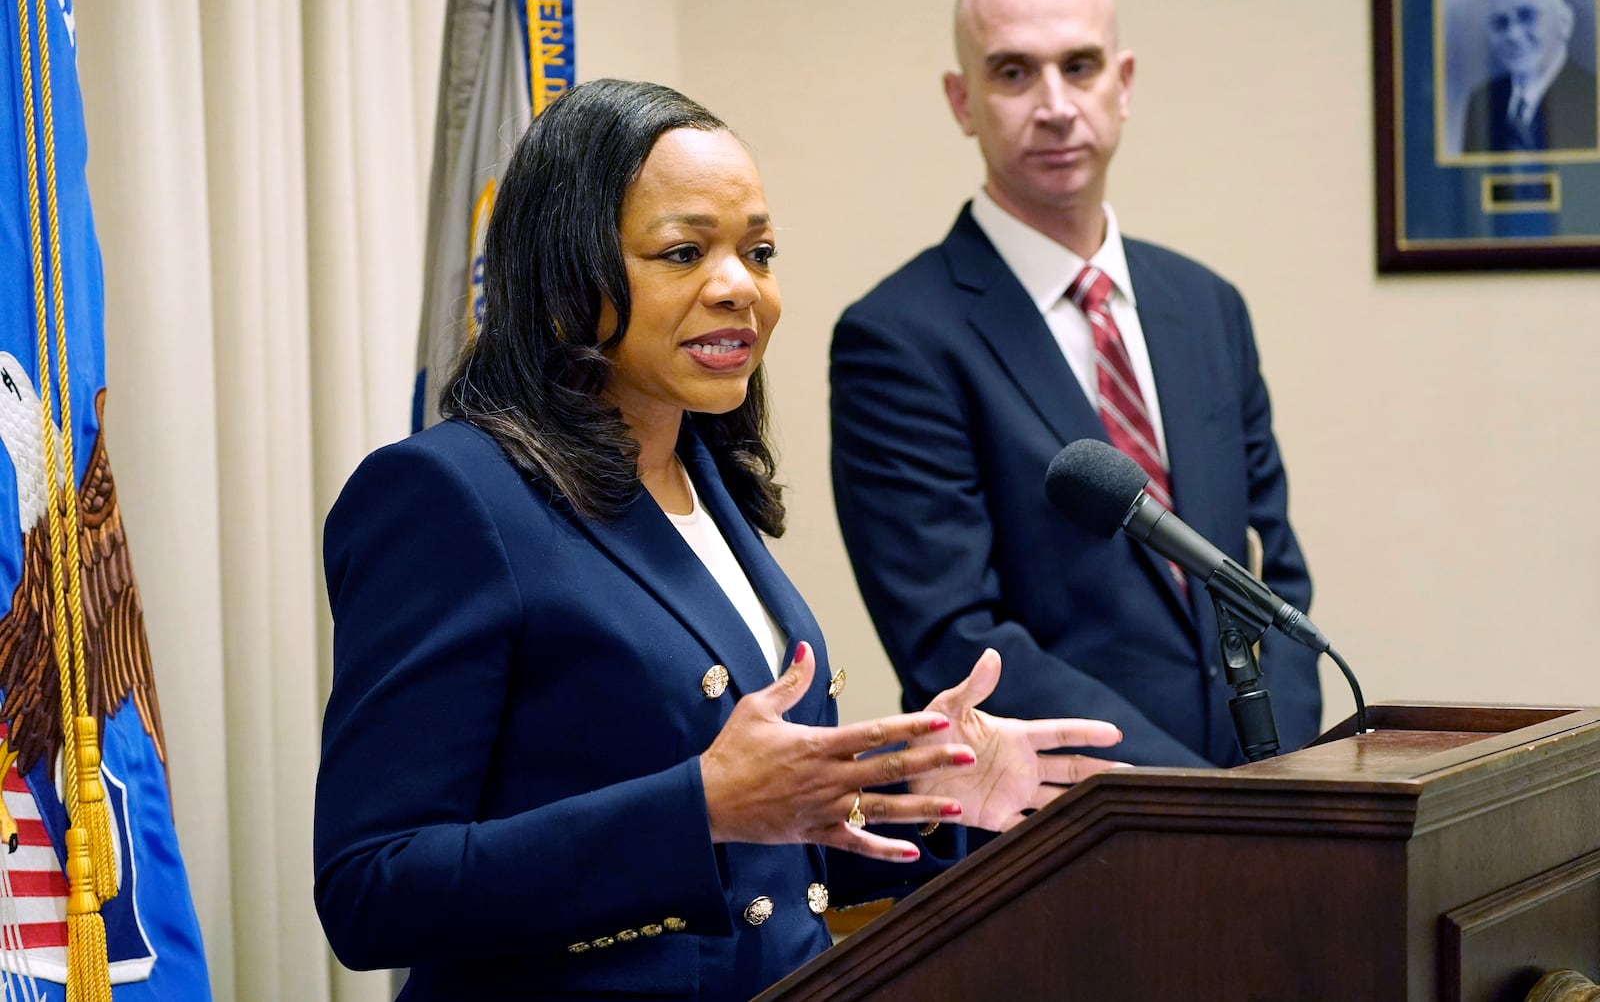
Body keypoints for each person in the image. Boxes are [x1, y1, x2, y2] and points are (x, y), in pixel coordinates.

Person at [313, 77, 1126, 1001]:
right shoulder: (449, 493)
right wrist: (695, 808)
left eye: (760, 251)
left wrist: (929, 793)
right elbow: (371, 886)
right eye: (683, 251)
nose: (740, 287)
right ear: (562, 276)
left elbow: (765, 858)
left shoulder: (704, 480)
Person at [829, 0, 1322, 773]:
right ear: (963, 100)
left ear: (1122, 83)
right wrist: (1190, 803)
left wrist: (1277, 780)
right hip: (1066, 835)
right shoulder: (897, 338)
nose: (1055, 105)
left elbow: (1277, 579)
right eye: (1014, 72)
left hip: (1265, 810)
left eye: (1080, 66)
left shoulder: (1208, 307)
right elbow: (954, 638)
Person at [1460, 0, 1598, 153]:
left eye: (1528, 16)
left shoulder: (1593, 95)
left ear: (1564, 22)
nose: (1513, 35)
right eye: (1501, 22)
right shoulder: (1482, 102)